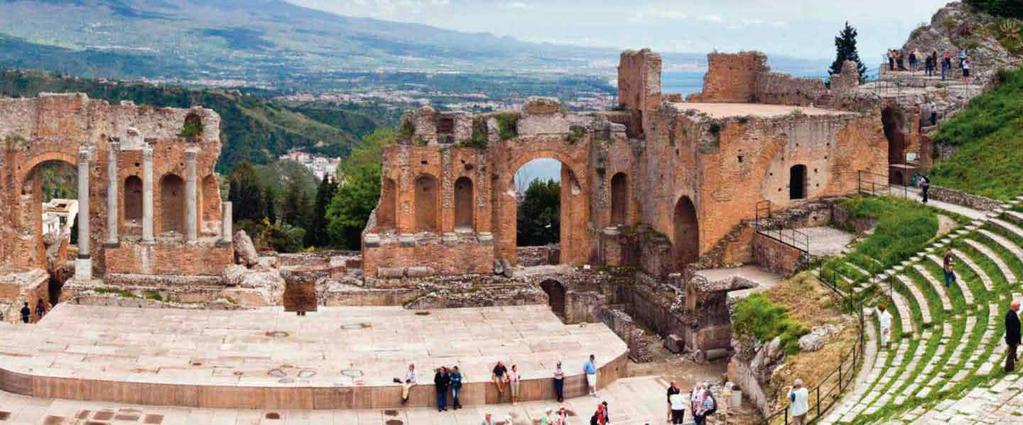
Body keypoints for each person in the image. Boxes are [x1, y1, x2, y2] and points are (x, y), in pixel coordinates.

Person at [1006, 300, 1021, 372]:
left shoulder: (1011, 314)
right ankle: (1008, 368)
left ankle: (1011, 366)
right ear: (1015, 307)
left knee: (1012, 352)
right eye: (1018, 306)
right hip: (1012, 339)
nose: (1019, 308)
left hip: (1011, 338)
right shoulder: (1011, 316)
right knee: (1011, 353)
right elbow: (1013, 329)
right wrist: (1016, 340)